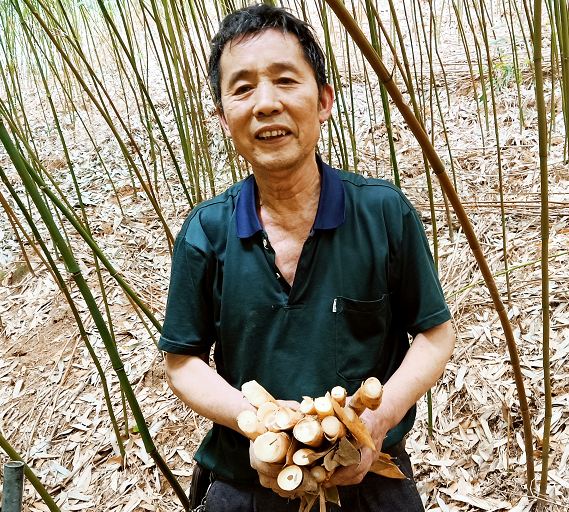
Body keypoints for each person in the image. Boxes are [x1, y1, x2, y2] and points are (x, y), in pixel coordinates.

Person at [159, 4, 455, 511]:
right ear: (223, 115)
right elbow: (182, 360)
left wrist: (374, 424)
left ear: (323, 101)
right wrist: (253, 423)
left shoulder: (383, 213)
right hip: (246, 477)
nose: (266, 104)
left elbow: (434, 334)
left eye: (285, 81)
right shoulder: (206, 231)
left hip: (368, 476)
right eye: (243, 88)